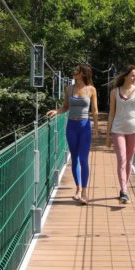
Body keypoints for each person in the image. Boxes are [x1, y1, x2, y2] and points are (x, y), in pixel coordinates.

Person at [46, 63, 99, 204]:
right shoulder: (69, 89)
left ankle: (85, 192)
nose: (74, 72)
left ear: (83, 73)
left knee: (83, 159)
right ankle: (78, 189)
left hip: (85, 126)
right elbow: (65, 107)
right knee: (74, 159)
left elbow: (95, 110)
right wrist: (56, 111)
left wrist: (96, 127)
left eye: (76, 71)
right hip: (71, 126)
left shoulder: (91, 89)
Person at [106, 64, 135, 204]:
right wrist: (108, 135)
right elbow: (111, 114)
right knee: (122, 159)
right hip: (117, 129)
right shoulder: (114, 92)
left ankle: (123, 190)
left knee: (129, 161)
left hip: (134, 129)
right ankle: (124, 190)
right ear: (125, 76)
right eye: (132, 75)